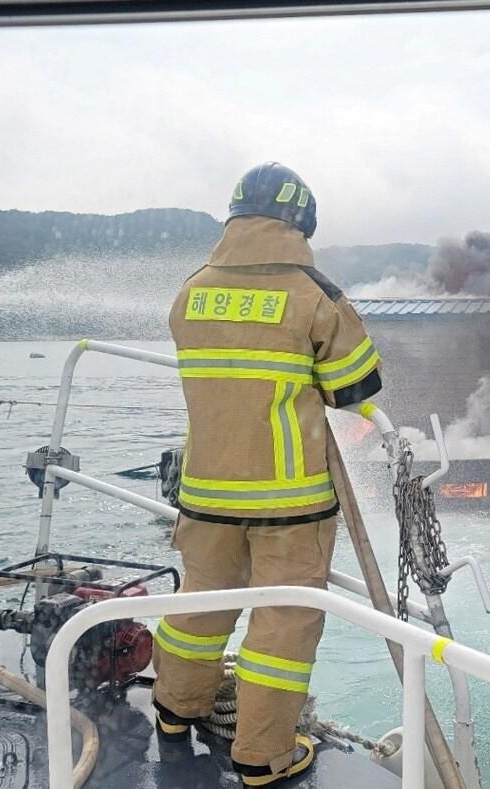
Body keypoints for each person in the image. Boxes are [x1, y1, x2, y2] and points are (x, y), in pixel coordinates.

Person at [153, 162, 383, 786]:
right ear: (301, 220)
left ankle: (174, 709)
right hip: (290, 501)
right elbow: (356, 387)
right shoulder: (315, 294)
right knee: (282, 626)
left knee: (200, 601)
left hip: (204, 491)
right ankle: (261, 755)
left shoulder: (191, 291)